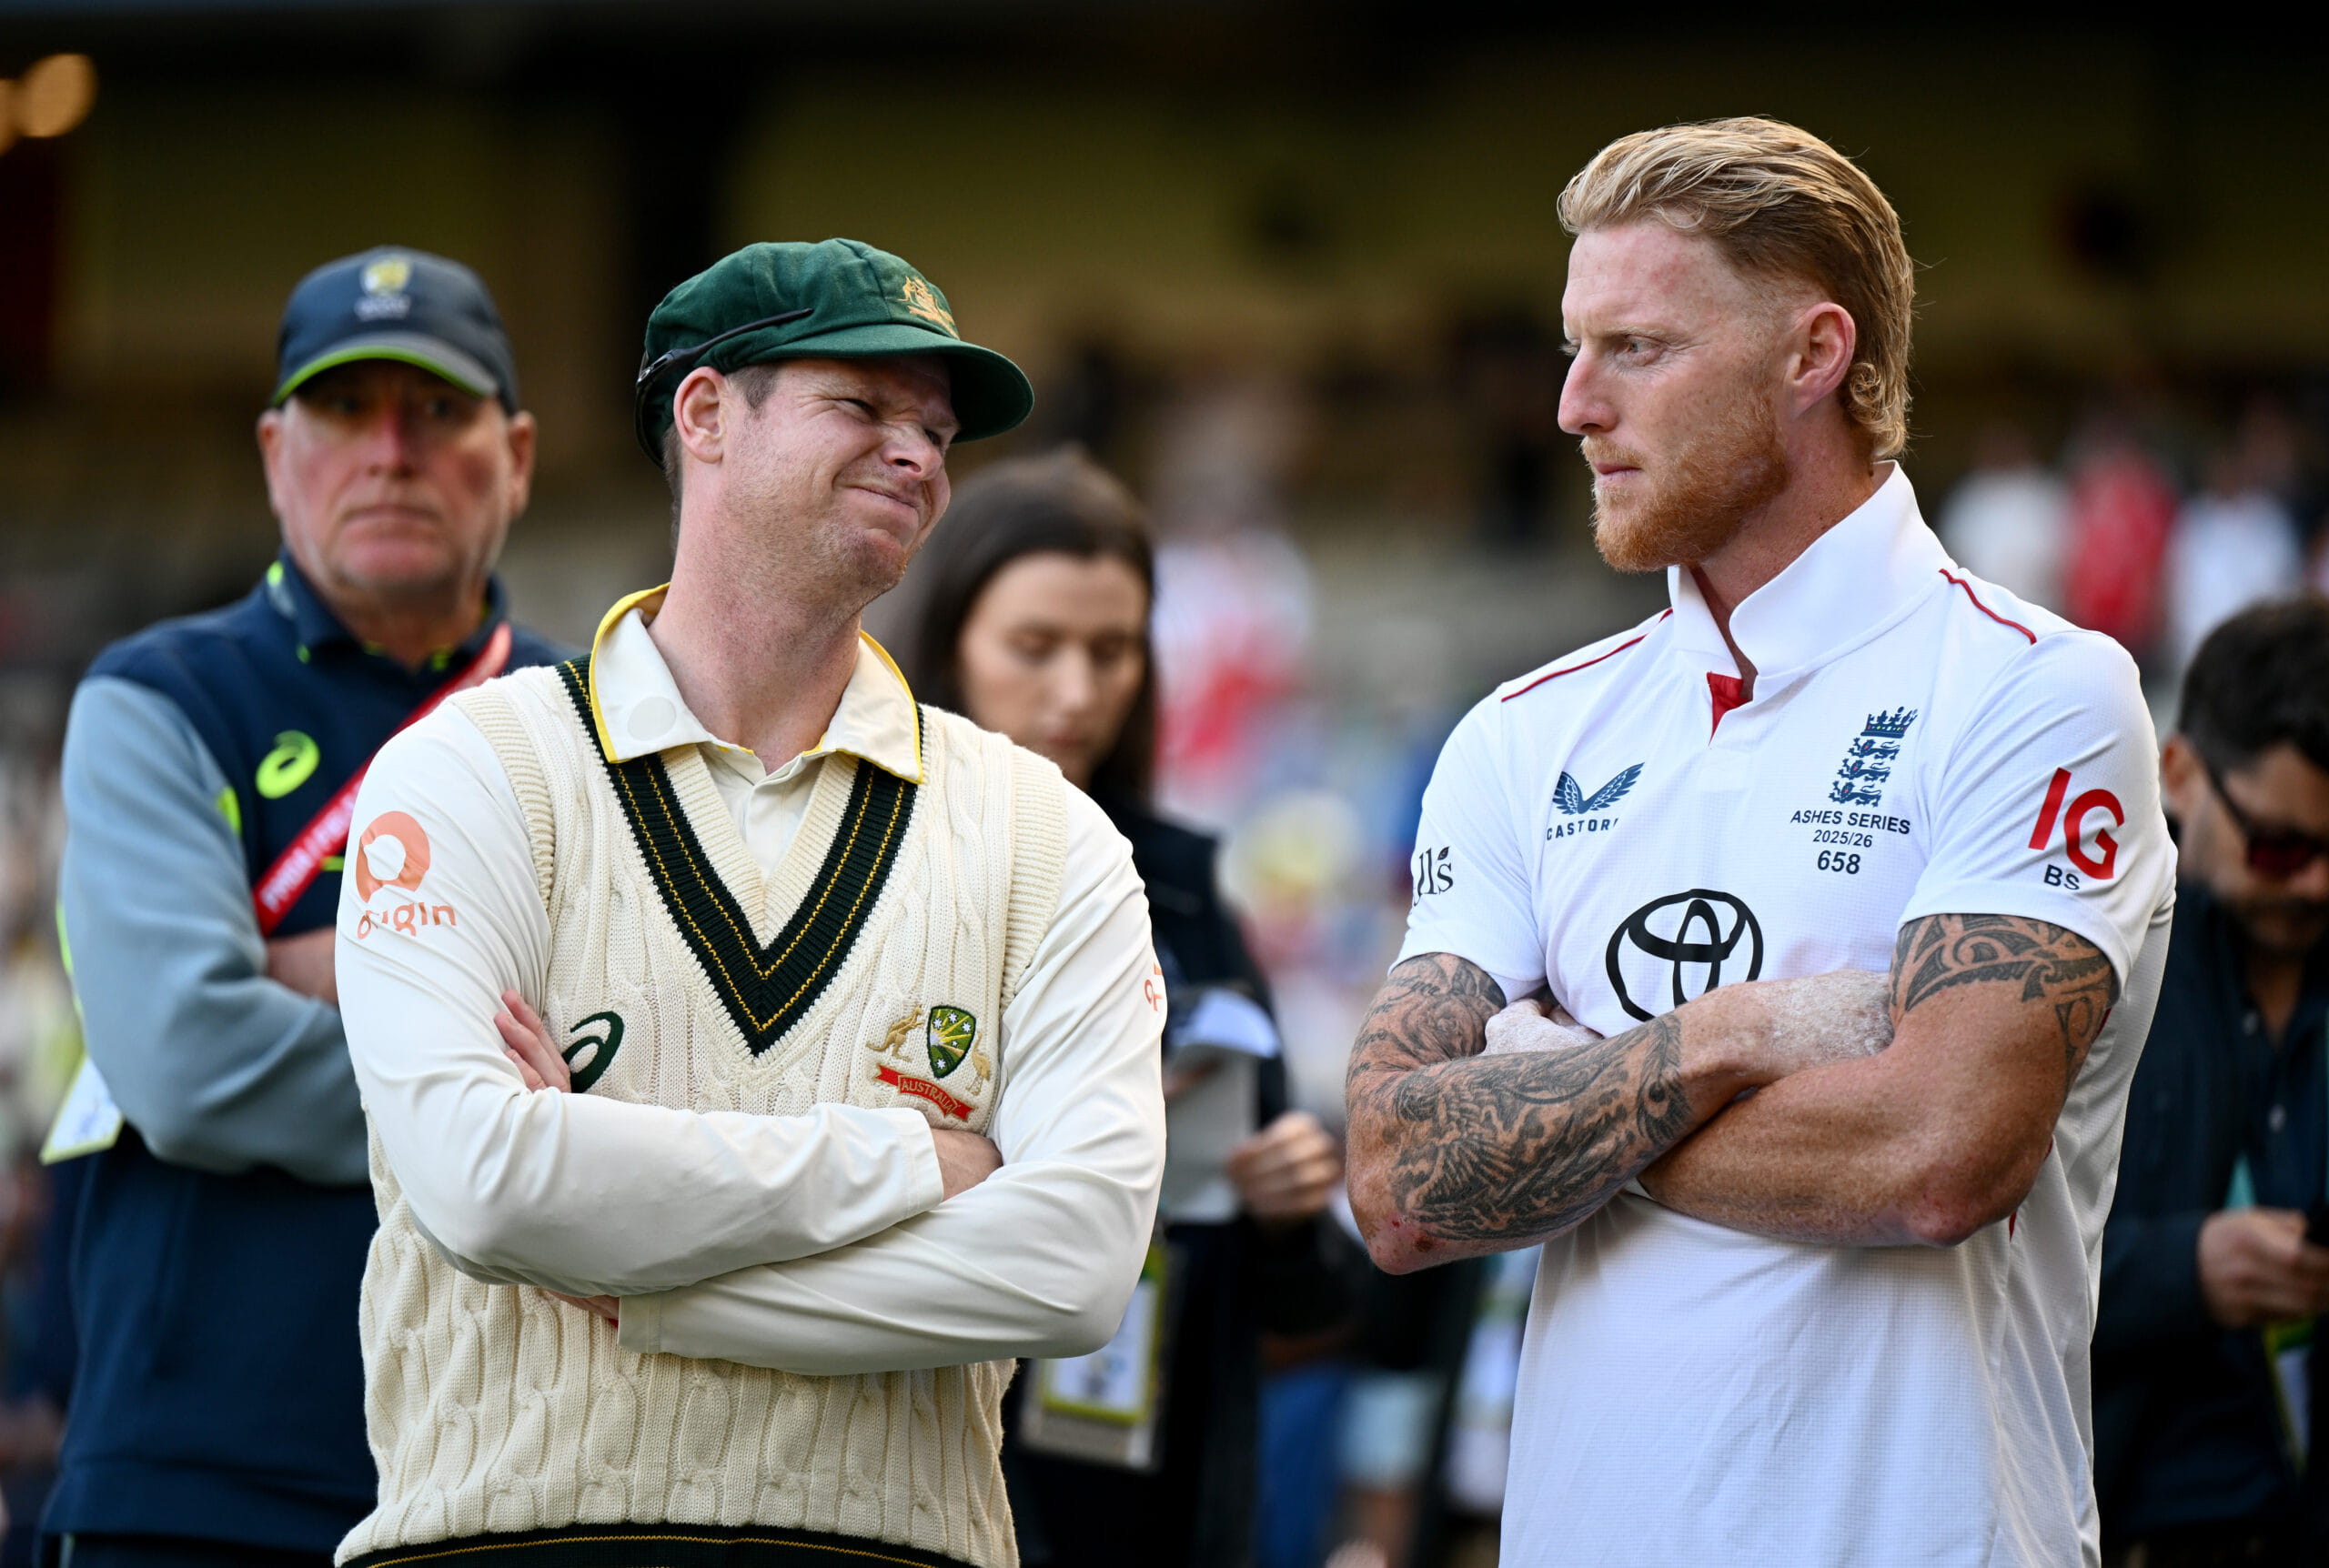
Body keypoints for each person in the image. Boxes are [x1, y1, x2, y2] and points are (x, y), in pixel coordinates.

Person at [1343, 116, 2176, 1568]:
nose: (1572, 406)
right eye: (1574, 348)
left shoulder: (2040, 690)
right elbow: (1397, 1184)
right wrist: (1731, 1040)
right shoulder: (1523, 733)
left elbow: (1935, 1156)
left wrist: (1564, 1094)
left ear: (1814, 355)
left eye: (1636, 349)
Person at [330, 239, 1167, 1568]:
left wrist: (651, 1286)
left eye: (938, 433)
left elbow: (1073, 1270)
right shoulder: (470, 769)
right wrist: (910, 1161)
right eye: (864, 406)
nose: (917, 455)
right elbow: (483, 1184)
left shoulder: (1047, 833)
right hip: (504, 1542)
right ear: (707, 413)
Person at [43, 246, 567, 1565]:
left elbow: (662, 1059)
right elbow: (186, 1062)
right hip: (193, 1476)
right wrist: (511, 1097)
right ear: (277, 454)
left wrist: (318, 965)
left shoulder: (600, 724)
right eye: (343, 410)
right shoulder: (156, 697)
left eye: (436, 410)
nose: (389, 452)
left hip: (515, 1473)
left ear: (515, 457)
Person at [901, 447, 1348, 1568]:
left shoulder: (1185, 894)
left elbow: (1309, 1302)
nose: (1075, 692)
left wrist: (1289, 1207)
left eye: (1111, 651)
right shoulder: (875, 879)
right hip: (937, 1461)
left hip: (1163, 1474)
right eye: (1033, 646)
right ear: (949, 643)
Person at [2095, 598, 2329, 1565]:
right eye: (2281, 847)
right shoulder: (2085, 970)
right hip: (2130, 1521)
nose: (2316, 885)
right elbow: (1973, 1262)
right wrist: (2185, 1268)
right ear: (2179, 773)